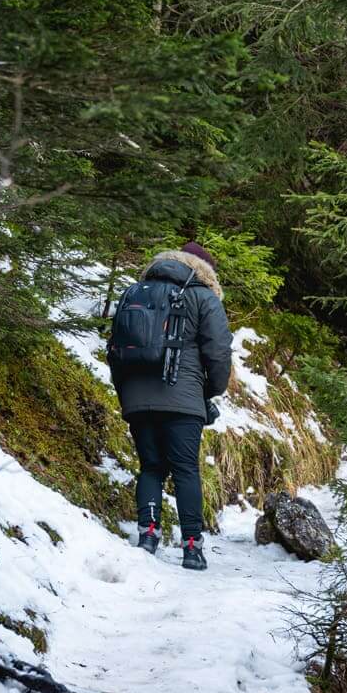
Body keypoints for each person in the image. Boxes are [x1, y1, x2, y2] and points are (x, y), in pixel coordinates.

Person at [107, 240, 232, 570]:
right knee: (186, 469)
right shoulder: (203, 296)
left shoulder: (136, 291)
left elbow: (115, 348)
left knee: (151, 467)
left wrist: (125, 393)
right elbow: (218, 352)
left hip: (136, 396)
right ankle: (191, 547)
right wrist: (210, 391)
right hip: (184, 399)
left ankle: (148, 534)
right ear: (203, 268)